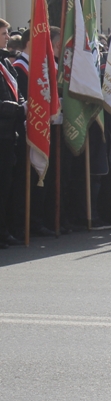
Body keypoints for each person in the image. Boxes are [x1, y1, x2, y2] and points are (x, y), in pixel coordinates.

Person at [0, 18, 24, 248]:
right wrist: (18, 108)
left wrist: (24, 104)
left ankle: (4, 230)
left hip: (9, 134)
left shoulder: (6, 63)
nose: (8, 37)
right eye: (4, 33)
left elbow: (15, 92)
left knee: (6, 186)